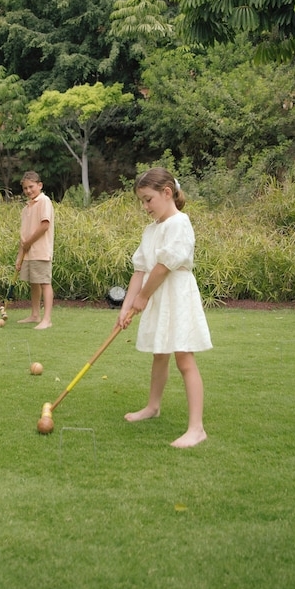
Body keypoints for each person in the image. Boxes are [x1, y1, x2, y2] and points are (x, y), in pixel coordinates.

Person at [117, 168, 211, 447]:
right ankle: (152, 407)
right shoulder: (151, 230)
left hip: (176, 294)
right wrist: (126, 307)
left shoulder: (180, 223)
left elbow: (163, 267)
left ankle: (197, 428)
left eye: (148, 200)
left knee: (184, 358)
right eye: (141, 202)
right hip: (156, 294)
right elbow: (140, 269)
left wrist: (143, 298)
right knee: (160, 353)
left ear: (167, 193)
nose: (145, 207)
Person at [15, 171, 54, 330]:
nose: (28, 191)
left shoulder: (44, 201)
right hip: (29, 253)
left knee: (45, 282)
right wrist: (20, 257)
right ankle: (35, 314)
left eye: (31, 187)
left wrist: (29, 243)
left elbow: (44, 225)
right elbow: (23, 237)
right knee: (34, 283)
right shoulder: (26, 208)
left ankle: (47, 319)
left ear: (40, 185)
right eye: (25, 188)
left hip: (41, 250)